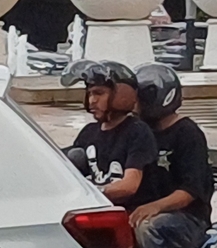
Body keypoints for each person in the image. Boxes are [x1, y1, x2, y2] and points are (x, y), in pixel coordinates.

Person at [129, 63, 217, 248]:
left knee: (147, 227)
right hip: (152, 211)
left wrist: (154, 207)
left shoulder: (187, 134)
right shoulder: (140, 133)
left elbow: (191, 190)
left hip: (189, 220)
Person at [61, 61, 157, 207]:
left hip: (127, 213)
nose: (92, 100)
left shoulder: (137, 131)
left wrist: (91, 193)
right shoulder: (88, 132)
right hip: (97, 209)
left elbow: (129, 186)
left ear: (122, 94)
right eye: (89, 94)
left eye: (99, 93)